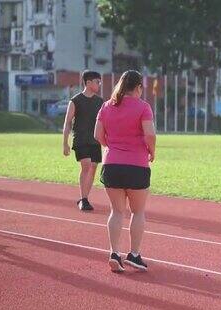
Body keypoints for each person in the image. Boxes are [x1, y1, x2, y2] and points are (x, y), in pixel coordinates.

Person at [94, 70, 156, 273]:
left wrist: (109, 147)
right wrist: (152, 152)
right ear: (138, 87)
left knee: (116, 211)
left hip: (112, 165)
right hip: (137, 164)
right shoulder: (143, 107)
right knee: (137, 212)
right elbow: (150, 134)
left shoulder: (106, 106)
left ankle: (114, 253)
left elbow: (97, 134)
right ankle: (134, 254)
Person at [63, 70, 104, 211]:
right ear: (88, 82)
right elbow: (67, 122)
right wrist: (65, 143)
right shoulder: (75, 101)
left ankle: (85, 197)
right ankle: (84, 199)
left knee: (93, 167)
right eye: (97, 81)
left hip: (95, 141)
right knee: (86, 165)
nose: (99, 84)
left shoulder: (100, 102)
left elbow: (104, 123)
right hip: (80, 139)